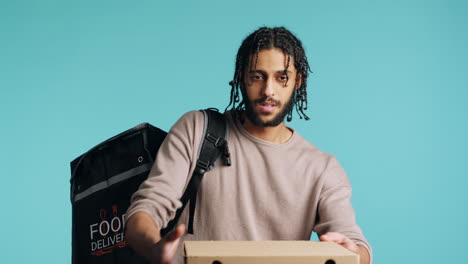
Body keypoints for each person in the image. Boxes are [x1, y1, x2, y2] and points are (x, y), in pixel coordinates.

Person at [125, 26, 372, 264]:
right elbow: (147, 208)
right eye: (257, 76)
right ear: (241, 77)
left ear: (298, 82)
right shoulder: (196, 129)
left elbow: (355, 243)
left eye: (281, 78)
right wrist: (154, 248)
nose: (268, 90)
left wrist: (351, 254)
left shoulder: (322, 169)